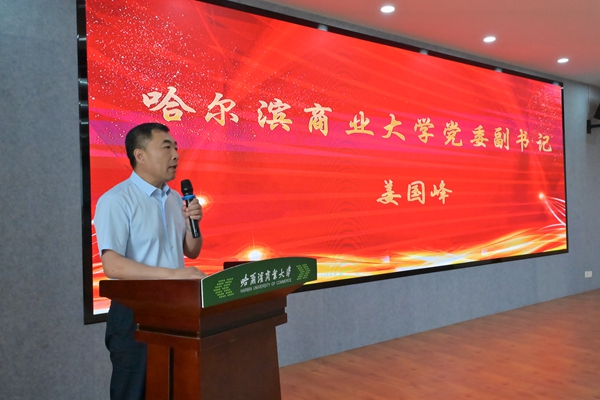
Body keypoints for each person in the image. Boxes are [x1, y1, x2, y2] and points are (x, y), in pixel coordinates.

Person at [94, 122, 206, 400]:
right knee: (135, 392)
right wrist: (175, 276)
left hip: (176, 310)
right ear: (140, 155)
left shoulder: (175, 199)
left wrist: (193, 223)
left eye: (176, 148)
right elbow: (113, 265)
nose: (176, 155)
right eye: (166, 147)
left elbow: (192, 251)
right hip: (136, 313)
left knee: (175, 388)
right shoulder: (117, 200)